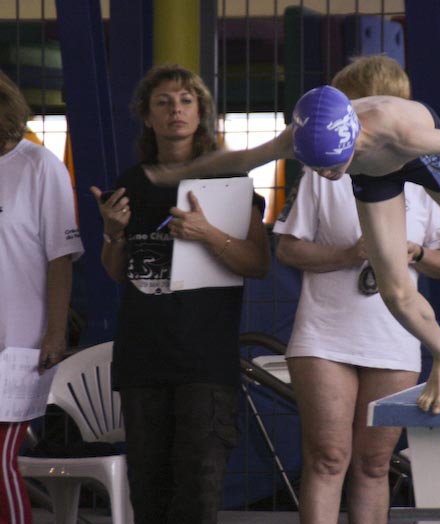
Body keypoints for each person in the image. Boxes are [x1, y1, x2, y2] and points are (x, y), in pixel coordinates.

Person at [146, 74, 440, 415]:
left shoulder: (404, 131)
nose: (328, 176)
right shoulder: (299, 138)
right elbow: (239, 160)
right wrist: (174, 172)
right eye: (319, 168)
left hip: (411, 156)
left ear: (352, 141)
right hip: (375, 173)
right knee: (393, 289)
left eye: (333, 166)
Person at [274, 55, 440, 524]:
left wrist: (415, 252)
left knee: (375, 464)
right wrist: (351, 253)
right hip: (325, 334)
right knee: (328, 458)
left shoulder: (425, 172)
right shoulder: (323, 169)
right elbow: (288, 249)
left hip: (393, 335)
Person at [90, 64, 270, 524]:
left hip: (204, 360)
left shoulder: (230, 179)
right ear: (147, 116)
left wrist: (208, 234)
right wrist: (112, 233)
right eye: (164, 102)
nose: (176, 110)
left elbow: (258, 263)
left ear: (201, 112)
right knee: (149, 495)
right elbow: (118, 272)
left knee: (197, 494)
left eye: (186, 101)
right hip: (142, 358)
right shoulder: (132, 181)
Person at [0, 71, 84, 524]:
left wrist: (54, 332)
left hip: (20, 341)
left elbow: (60, 257)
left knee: (0, 459)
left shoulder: (39, 165)